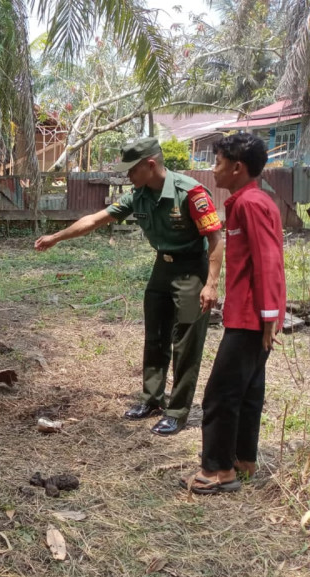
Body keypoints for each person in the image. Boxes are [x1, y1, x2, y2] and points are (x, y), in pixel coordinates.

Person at [35, 137, 223, 435]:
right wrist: (56, 237)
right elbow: (96, 220)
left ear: (150, 165)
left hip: (191, 271)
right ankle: (151, 399)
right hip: (162, 268)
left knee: (185, 343)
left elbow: (215, 238)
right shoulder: (139, 195)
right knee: (156, 335)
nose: (127, 176)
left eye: (131, 170)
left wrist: (211, 285)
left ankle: (177, 411)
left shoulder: (190, 193)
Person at [180, 133, 285, 494]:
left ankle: (217, 470)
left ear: (237, 168)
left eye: (219, 163)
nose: (214, 170)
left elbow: (268, 261)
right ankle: (242, 459)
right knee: (247, 390)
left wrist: (269, 317)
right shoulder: (249, 201)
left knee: (220, 394)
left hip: (251, 319)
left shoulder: (250, 204)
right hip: (251, 316)